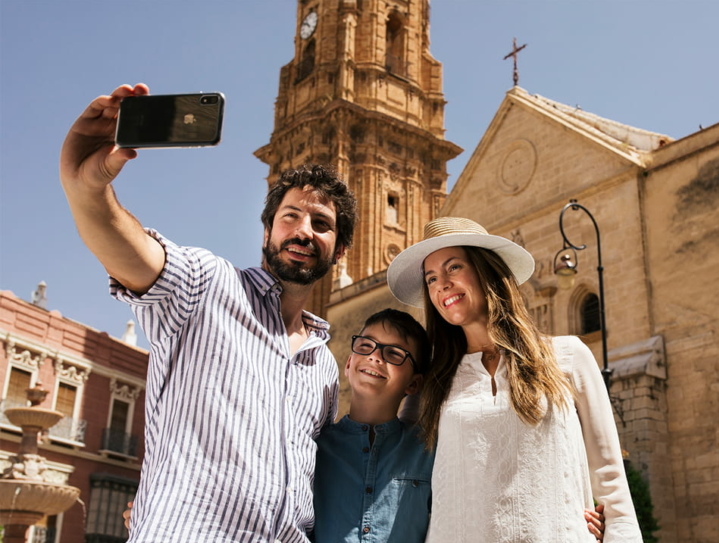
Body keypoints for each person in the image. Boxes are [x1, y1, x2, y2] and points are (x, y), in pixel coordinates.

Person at [59, 83, 357, 542]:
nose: (304, 231)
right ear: (266, 234)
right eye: (290, 216)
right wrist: (86, 191)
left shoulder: (324, 367)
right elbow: (132, 253)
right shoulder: (205, 286)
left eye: (322, 224)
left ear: (339, 252)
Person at [386, 217, 643, 543]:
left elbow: (610, 478)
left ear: (486, 271)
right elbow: (402, 472)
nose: (442, 284)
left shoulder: (568, 356)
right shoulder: (432, 382)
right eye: (432, 278)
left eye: (453, 268)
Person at [314, 308, 433, 542]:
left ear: (414, 384)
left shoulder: (428, 452)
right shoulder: (316, 448)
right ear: (349, 364)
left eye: (395, 353)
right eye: (366, 346)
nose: (375, 356)